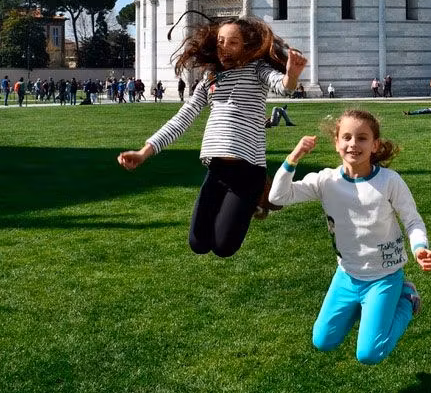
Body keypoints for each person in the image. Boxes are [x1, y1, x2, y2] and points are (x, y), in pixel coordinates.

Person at [118, 16, 308, 259]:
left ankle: (256, 194)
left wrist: (291, 75)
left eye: (233, 43)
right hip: (217, 171)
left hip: (248, 171)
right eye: (220, 42)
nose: (224, 48)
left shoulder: (257, 70)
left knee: (223, 247)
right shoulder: (209, 80)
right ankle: (245, 205)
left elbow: (282, 85)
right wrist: (144, 152)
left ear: (246, 46)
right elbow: (182, 118)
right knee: (198, 243)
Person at [269, 109, 431, 364]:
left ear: (375, 145)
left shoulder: (389, 181)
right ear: (336, 143)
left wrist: (419, 247)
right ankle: (366, 308)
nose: (353, 144)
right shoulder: (326, 181)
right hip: (347, 276)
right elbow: (277, 197)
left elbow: (412, 220)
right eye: (346, 137)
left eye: (362, 138)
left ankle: (407, 300)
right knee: (323, 341)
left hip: (384, 276)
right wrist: (295, 156)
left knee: (369, 354)